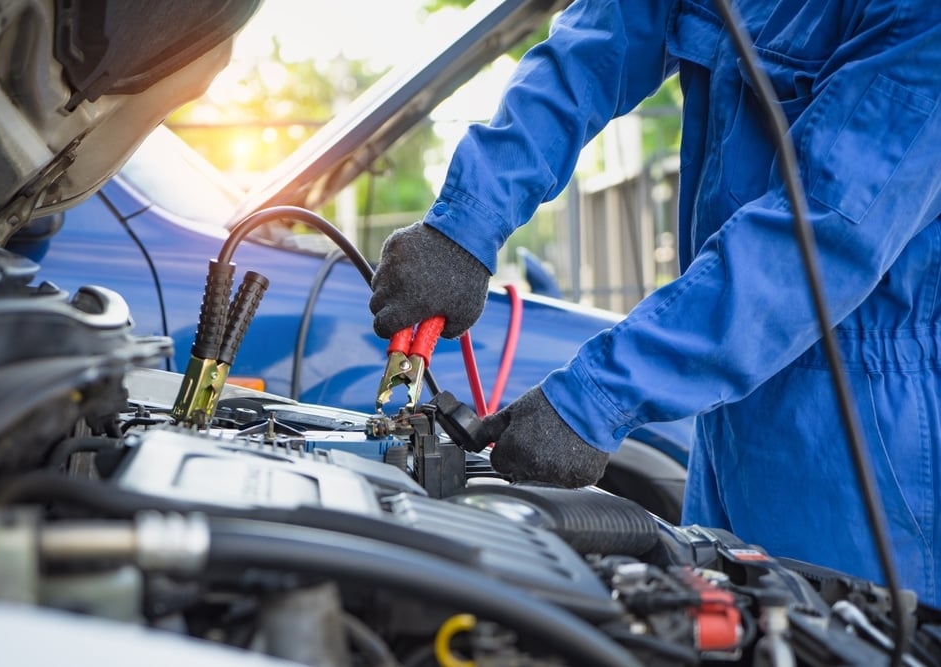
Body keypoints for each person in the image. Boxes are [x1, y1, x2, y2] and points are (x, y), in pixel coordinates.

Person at [369, 0, 941, 605]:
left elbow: (816, 236)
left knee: (829, 637)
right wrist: (465, 223)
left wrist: (596, 396)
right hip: (730, 417)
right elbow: (593, 45)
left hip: (861, 437)